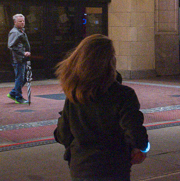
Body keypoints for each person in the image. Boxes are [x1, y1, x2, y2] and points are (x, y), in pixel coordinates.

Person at [54, 35, 149, 181]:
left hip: (81, 165)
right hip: (113, 166)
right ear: (109, 61)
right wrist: (141, 148)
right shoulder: (122, 94)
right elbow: (134, 131)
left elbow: (62, 134)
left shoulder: (75, 94)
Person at [7, 13, 31, 104]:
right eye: (20, 21)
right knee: (20, 78)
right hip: (18, 59)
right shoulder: (14, 32)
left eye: (23, 21)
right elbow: (11, 46)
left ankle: (13, 93)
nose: (22, 23)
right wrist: (23, 53)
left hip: (22, 58)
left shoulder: (21, 31)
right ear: (15, 22)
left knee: (24, 77)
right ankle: (18, 97)